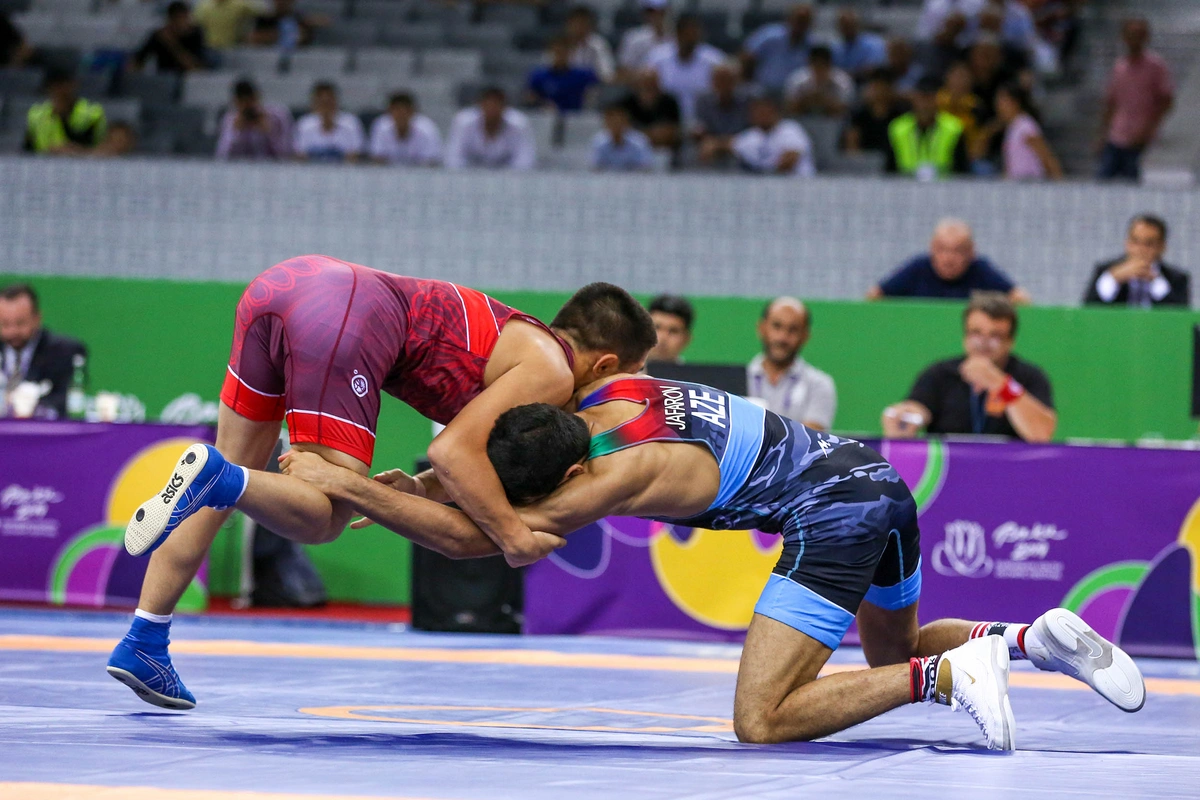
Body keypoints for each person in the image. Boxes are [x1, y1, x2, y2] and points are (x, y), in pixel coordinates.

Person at [279, 376, 1144, 751]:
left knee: (762, 720)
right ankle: (1033, 639)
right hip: (877, 478)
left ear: (572, 477)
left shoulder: (608, 479)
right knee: (892, 648)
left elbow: (491, 536)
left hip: (830, 512)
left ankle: (952, 678)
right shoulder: (601, 400)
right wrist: (425, 477)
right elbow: (487, 483)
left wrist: (352, 489)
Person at [107, 259, 657, 709]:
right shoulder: (554, 371)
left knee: (222, 489)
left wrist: (417, 489)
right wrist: (514, 536)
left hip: (280, 287)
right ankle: (217, 477)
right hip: (343, 313)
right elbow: (452, 451)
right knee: (323, 517)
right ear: (606, 363)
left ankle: (145, 638)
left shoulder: (526, 344)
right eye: (631, 378)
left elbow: (460, 456)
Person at [882, 292, 1055, 442]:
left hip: (1010, 473)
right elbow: (918, 408)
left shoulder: (1029, 376)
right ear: (965, 336)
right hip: (951, 471)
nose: (984, 343)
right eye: (976, 333)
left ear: (1010, 342)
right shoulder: (940, 374)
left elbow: (1041, 434)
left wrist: (1000, 383)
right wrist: (906, 415)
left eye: (995, 336)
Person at [868, 218, 1029, 302]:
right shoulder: (917, 267)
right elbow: (874, 297)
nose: (949, 258)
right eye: (942, 250)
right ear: (932, 248)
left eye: (958, 251)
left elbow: (1021, 299)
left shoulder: (981, 269)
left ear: (971, 252)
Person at [1096, 18, 1174, 182]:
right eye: (1131, 35)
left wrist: (1149, 130)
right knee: (1102, 181)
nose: (1134, 39)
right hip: (1116, 134)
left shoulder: (1156, 66)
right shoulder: (1120, 66)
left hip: (1140, 137)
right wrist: (1102, 134)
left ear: (1146, 37)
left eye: (1139, 35)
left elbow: (1166, 101)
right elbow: (1111, 102)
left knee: (1133, 182)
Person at [746, 297, 835, 430]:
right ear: (762, 328)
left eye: (793, 330)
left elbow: (809, 441)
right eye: (776, 326)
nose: (782, 337)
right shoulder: (737, 378)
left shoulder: (819, 385)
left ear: (805, 336)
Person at [0, 283, 87, 420]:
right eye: (5, 324)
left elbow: (65, 402)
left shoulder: (64, 352)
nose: (12, 331)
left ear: (37, 318)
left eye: (20, 323)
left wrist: (26, 405)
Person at [1084, 215, 1190, 308]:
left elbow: (1179, 316)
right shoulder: (1106, 271)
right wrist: (1113, 279)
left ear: (1162, 247)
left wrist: (1156, 281)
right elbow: (1089, 309)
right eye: (1135, 241)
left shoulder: (1176, 279)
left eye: (1149, 244)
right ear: (1127, 243)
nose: (1141, 249)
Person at [883, 76, 969, 179]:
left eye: (930, 98)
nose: (925, 104)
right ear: (914, 99)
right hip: (905, 186)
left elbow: (962, 170)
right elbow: (889, 171)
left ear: (937, 100)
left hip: (944, 187)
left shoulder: (953, 127)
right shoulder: (898, 128)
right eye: (922, 98)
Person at [648, 13, 725, 125]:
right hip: (666, 121)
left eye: (695, 33)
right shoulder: (657, 58)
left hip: (703, 122)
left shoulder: (714, 60)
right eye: (687, 34)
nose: (691, 38)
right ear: (678, 34)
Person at [445, 87, 537, 170]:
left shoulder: (519, 124)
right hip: (468, 179)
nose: (492, 110)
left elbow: (525, 161)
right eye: (488, 105)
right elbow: (453, 158)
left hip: (507, 180)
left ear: (505, 107)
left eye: (496, 105)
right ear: (480, 105)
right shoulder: (463, 122)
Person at [24, 72, 106, 156]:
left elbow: (95, 144)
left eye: (64, 85)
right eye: (56, 86)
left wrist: (74, 150)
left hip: (83, 164)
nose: (60, 90)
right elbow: (28, 148)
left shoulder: (92, 113)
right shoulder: (36, 114)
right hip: (41, 164)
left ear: (74, 85)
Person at [731, 95, 814, 177]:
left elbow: (790, 160)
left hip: (797, 183)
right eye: (758, 112)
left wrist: (763, 173)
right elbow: (728, 144)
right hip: (764, 183)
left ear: (774, 112)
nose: (762, 116)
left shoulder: (790, 129)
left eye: (765, 111)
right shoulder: (751, 135)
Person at [740, 4, 815, 95]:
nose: (800, 25)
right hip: (764, 90)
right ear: (789, 19)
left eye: (805, 22)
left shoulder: (812, 45)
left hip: (794, 95)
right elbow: (748, 56)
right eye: (799, 20)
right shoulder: (770, 35)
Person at [993, 82, 1061, 180]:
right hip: (1016, 183)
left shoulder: (1025, 125)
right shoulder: (1012, 127)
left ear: (1015, 102)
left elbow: (1046, 156)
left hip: (1030, 182)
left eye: (1003, 101)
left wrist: (1059, 183)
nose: (998, 105)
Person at [215, 78, 293, 160]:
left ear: (257, 97)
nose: (248, 107)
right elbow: (221, 155)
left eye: (251, 100)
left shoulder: (278, 116)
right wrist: (235, 134)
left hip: (274, 168)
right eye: (242, 102)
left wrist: (269, 133)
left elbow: (287, 154)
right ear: (236, 102)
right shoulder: (230, 119)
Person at [693, 60, 750, 168]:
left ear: (736, 81)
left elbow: (752, 133)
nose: (723, 85)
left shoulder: (747, 100)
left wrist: (722, 144)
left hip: (739, 145)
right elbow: (699, 129)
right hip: (711, 146)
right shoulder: (703, 101)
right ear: (712, 82)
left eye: (728, 80)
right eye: (719, 80)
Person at [292, 82, 364, 163]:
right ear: (314, 103)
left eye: (329, 101)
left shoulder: (351, 123)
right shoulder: (304, 124)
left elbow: (356, 156)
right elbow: (300, 156)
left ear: (336, 101)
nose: (326, 106)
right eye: (322, 102)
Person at [131, 1, 209, 74]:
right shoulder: (159, 35)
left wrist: (171, 43)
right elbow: (138, 60)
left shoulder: (195, 34)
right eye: (178, 19)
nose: (182, 23)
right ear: (170, 20)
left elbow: (195, 68)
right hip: (165, 79)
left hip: (189, 80)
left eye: (185, 18)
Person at [526, 37, 599, 113]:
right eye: (557, 52)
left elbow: (596, 90)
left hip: (576, 116)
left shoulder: (583, 75)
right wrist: (542, 103)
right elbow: (530, 96)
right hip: (547, 116)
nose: (560, 56)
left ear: (571, 53)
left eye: (564, 52)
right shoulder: (539, 75)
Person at [368, 92, 442, 167]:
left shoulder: (427, 129)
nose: (401, 116)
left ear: (412, 112)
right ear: (389, 111)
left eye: (405, 112)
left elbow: (432, 162)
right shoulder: (381, 127)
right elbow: (377, 159)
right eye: (397, 111)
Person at [843, 68, 907, 154]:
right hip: (866, 163)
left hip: (894, 164)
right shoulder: (859, 115)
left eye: (884, 87)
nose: (880, 92)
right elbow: (852, 147)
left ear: (891, 89)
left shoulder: (901, 115)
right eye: (876, 87)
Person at [784, 44, 854, 119]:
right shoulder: (797, 78)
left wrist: (824, 99)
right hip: (803, 120)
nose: (819, 69)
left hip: (834, 122)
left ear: (829, 64)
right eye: (816, 64)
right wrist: (807, 99)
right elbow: (789, 108)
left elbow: (846, 110)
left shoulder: (842, 79)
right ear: (810, 62)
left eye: (822, 64)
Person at [620, 68, 682, 152]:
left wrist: (641, 135)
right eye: (645, 83)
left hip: (665, 150)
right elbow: (624, 132)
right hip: (633, 151)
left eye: (652, 83)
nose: (648, 86)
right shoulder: (627, 102)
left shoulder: (669, 101)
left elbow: (673, 131)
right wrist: (652, 134)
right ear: (638, 84)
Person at [616, 0, 672, 81]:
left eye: (660, 11)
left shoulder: (674, 37)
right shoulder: (633, 38)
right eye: (651, 11)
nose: (656, 15)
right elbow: (622, 72)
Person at [591, 102, 655, 171]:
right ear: (606, 123)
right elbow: (595, 168)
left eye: (619, 121)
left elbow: (646, 168)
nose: (616, 125)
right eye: (612, 121)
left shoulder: (640, 141)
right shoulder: (598, 142)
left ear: (627, 122)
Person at [832, 8, 887, 82]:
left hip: (867, 83)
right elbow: (832, 72)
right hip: (843, 87)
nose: (847, 28)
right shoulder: (836, 48)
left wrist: (847, 75)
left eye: (850, 24)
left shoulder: (873, 43)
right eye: (843, 25)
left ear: (858, 25)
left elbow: (873, 70)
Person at [564, 5, 614, 83]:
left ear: (590, 25)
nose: (579, 27)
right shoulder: (561, 43)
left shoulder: (598, 44)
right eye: (576, 23)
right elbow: (550, 70)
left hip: (592, 86)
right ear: (569, 24)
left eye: (582, 23)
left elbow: (607, 74)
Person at [248, 0, 325, 49]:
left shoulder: (298, 18)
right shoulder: (264, 18)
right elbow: (252, 39)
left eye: (287, 1)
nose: (283, 2)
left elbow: (303, 39)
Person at [194, 0, 264, 50]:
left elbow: (263, 14)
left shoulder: (240, 5)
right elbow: (194, 25)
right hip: (210, 48)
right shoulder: (203, 7)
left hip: (233, 48)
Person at [646, 294, 693, 363]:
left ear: (686, 339)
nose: (663, 338)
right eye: (656, 327)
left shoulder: (693, 374)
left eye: (673, 331)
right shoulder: (625, 371)